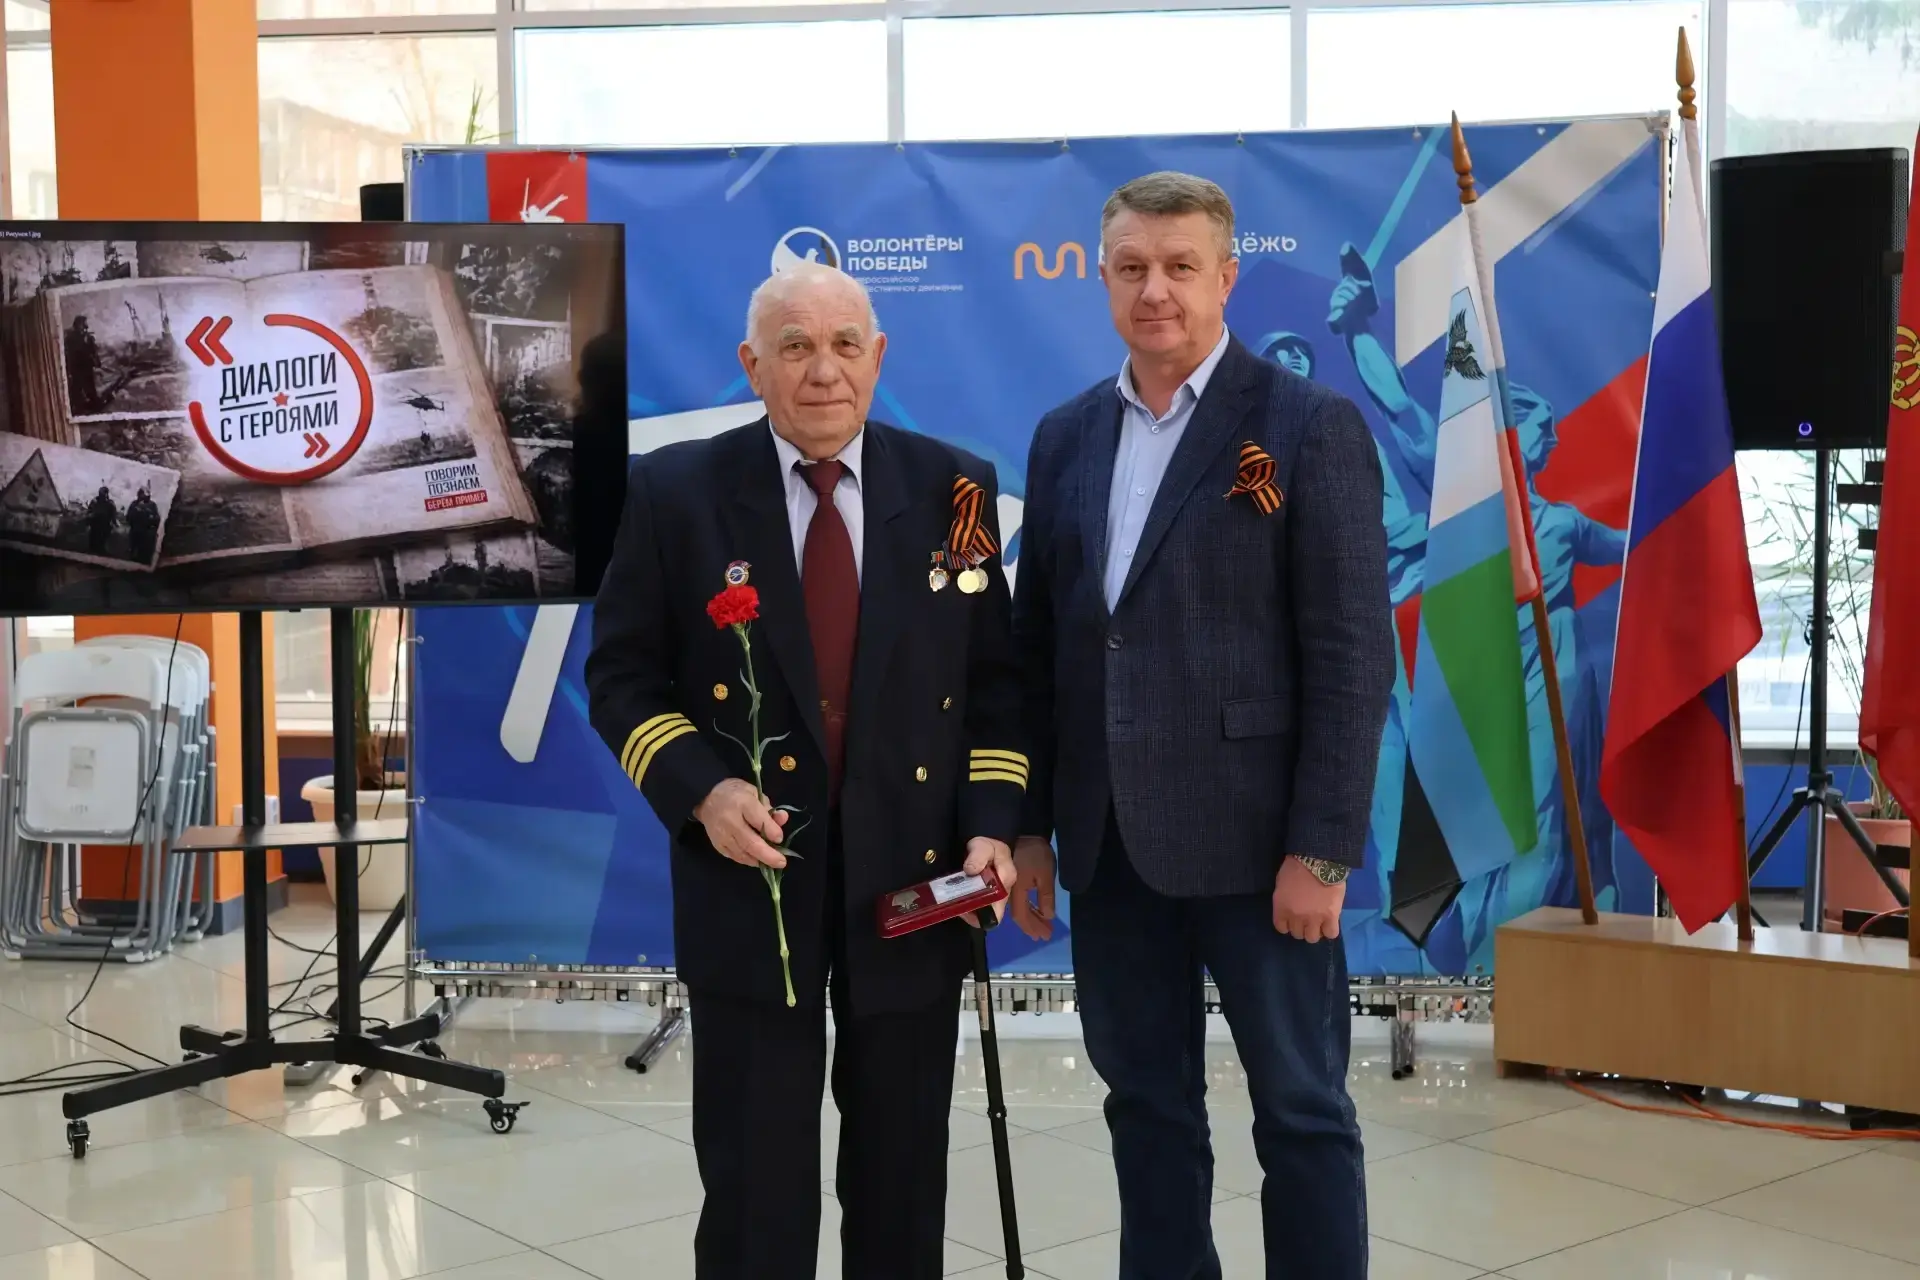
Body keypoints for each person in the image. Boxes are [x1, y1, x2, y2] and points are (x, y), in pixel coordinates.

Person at [585, 262, 1024, 1280]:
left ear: (878, 357)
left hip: (913, 883)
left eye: (843, 345)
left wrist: (992, 825)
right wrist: (703, 789)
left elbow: (997, 684)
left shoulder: (955, 486)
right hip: (752, 885)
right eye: (794, 347)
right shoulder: (675, 492)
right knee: (755, 1189)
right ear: (753, 365)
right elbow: (621, 678)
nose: (823, 371)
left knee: (902, 1183)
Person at [1008, 171, 1393, 1280]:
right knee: (1147, 1107)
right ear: (1103, 278)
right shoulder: (1065, 435)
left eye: (1181, 267)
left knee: (1302, 1111)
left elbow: (1352, 657)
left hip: (1264, 851)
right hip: (1110, 846)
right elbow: (1040, 649)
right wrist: (1030, 826)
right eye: (1132, 267)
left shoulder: (1309, 425)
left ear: (1227, 277)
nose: (1156, 291)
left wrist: (1323, 850)